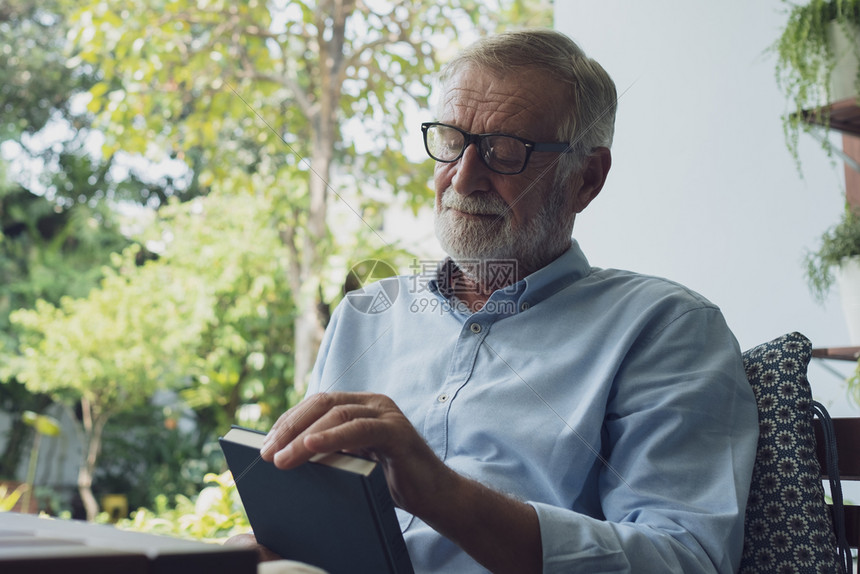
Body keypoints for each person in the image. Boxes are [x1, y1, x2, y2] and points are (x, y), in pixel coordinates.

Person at [239, 28, 759, 573]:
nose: (463, 177)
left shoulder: (666, 328)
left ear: (587, 178)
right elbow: (311, 513)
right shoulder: (365, 315)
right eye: (449, 141)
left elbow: (685, 559)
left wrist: (441, 493)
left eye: (505, 152)